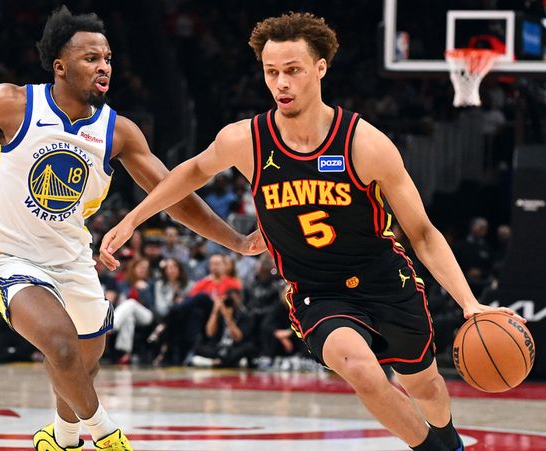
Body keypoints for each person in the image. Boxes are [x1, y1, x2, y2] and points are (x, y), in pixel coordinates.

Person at [100, 12, 526, 451]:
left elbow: (422, 233)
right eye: (271, 72)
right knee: (361, 370)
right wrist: (132, 220)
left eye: (293, 70)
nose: (281, 83)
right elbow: (189, 172)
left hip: (385, 280)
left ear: (320, 68)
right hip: (317, 292)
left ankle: (447, 439)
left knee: (426, 387)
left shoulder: (365, 144)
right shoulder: (246, 140)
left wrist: (469, 303)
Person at [0, 6, 263, 451]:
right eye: (91, 58)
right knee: (60, 348)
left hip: (73, 259)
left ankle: (61, 438)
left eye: (108, 59)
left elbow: (175, 196)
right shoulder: (12, 102)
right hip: (10, 256)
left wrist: (237, 241)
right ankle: (107, 436)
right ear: (59, 66)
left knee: (84, 363)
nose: (104, 67)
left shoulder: (119, 132)